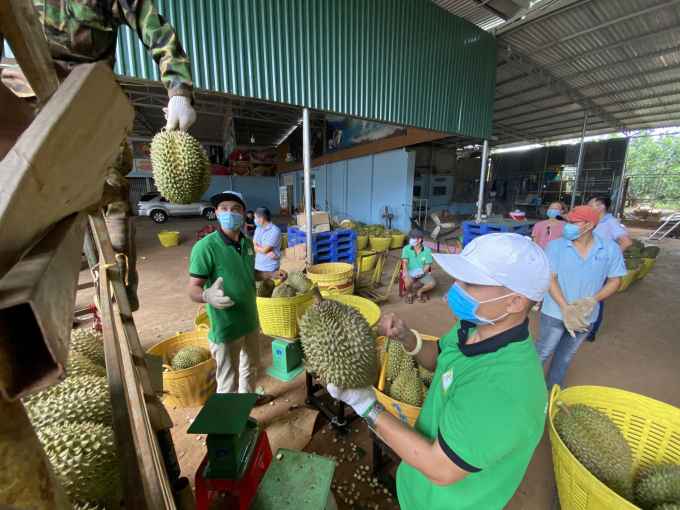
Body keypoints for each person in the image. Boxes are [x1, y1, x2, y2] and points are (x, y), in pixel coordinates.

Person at [329, 233, 551, 510]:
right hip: (418, 485)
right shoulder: (473, 327)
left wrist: (367, 407)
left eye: (470, 283)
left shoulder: (502, 390)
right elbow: (440, 359)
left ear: (515, 302)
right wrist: (407, 337)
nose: (457, 287)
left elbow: (440, 469)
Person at [1, 0, 196, 311]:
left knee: (113, 191)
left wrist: (179, 93)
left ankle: (120, 292)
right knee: (19, 194)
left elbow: (157, 32)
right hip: (22, 99)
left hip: (90, 105)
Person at [188, 191, 285, 405]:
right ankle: (230, 426)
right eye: (224, 208)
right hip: (226, 327)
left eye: (235, 209)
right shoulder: (205, 247)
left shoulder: (249, 245)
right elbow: (193, 289)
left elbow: (249, 274)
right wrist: (206, 295)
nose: (229, 212)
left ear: (244, 216)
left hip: (250, 321)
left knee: (250, 369)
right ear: (216, 213)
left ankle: (248, 401)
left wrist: (269, 274)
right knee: (227, 383)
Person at [534, 205, 627, 390]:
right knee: (544, 349)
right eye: (567, 221)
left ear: (589, 225)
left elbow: (615, 281)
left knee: (566, 353)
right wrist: (565, 308)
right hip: (555, 311)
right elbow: (550, 279)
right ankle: (527, 388)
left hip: (586, 314)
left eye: (572, 222)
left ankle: (552, 388)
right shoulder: (556, 246)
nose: (567, 225)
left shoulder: (610, 249)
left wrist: (592, 300)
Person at [585, 195, 633, 342]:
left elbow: (626, 242)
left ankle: (592, 330)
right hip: (588, 264)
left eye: (591, 205)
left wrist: (611, 260)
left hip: (599, 265)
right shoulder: (594, 222)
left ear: (601, 207)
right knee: (584, 292)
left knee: (597, 296)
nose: (588, 207)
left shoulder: (610, 222)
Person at [530, 201, 568, 312]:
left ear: (561, 211)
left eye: (556, 208)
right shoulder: (539, 225)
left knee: (554, 280)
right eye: (551, 207)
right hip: (541, 256)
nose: (553, 209)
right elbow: (535, 242)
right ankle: (538, 301)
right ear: (547, 210)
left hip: (557, 257)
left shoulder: (565, 226)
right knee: (539, 279)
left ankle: (555, 301)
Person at [402, 230, 435, 304]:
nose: (411, 240)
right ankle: (410, 294)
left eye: (413, 239)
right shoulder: (406, 248)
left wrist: (422, 272)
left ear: (419, 240)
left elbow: (428, 264)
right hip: (409, 271)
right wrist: (406, 275)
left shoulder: (427, 250)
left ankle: (419, 292)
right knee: (407, 282)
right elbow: (404, 262)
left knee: (431, 284)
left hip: (421, 272)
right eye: (411, 238)